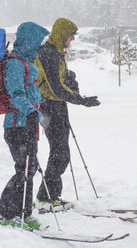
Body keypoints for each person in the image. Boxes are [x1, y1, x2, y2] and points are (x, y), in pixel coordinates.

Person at [34, 18, 100, 213]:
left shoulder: (55, 52)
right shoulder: (49, 53)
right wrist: (80, 99)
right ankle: (46, 198)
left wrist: (70, 78)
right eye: (70, 35)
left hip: (56, 107)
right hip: (50, 107)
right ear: (62, 33)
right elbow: (56, 87)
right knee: (60, 154)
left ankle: (50, 196)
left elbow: (59, 80)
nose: (72, 39)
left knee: (61, 153)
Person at [0, 22, 50, 229]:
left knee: (31, 169)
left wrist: (35, 112)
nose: (39, 46)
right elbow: (16, 94)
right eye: (37, 41)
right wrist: (32, 111)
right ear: (28, 40)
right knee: (24, 169)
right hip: (17, 125)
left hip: (27, 124)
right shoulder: (15, 64)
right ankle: (8, 213)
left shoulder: (27, 61)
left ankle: (24, 213)